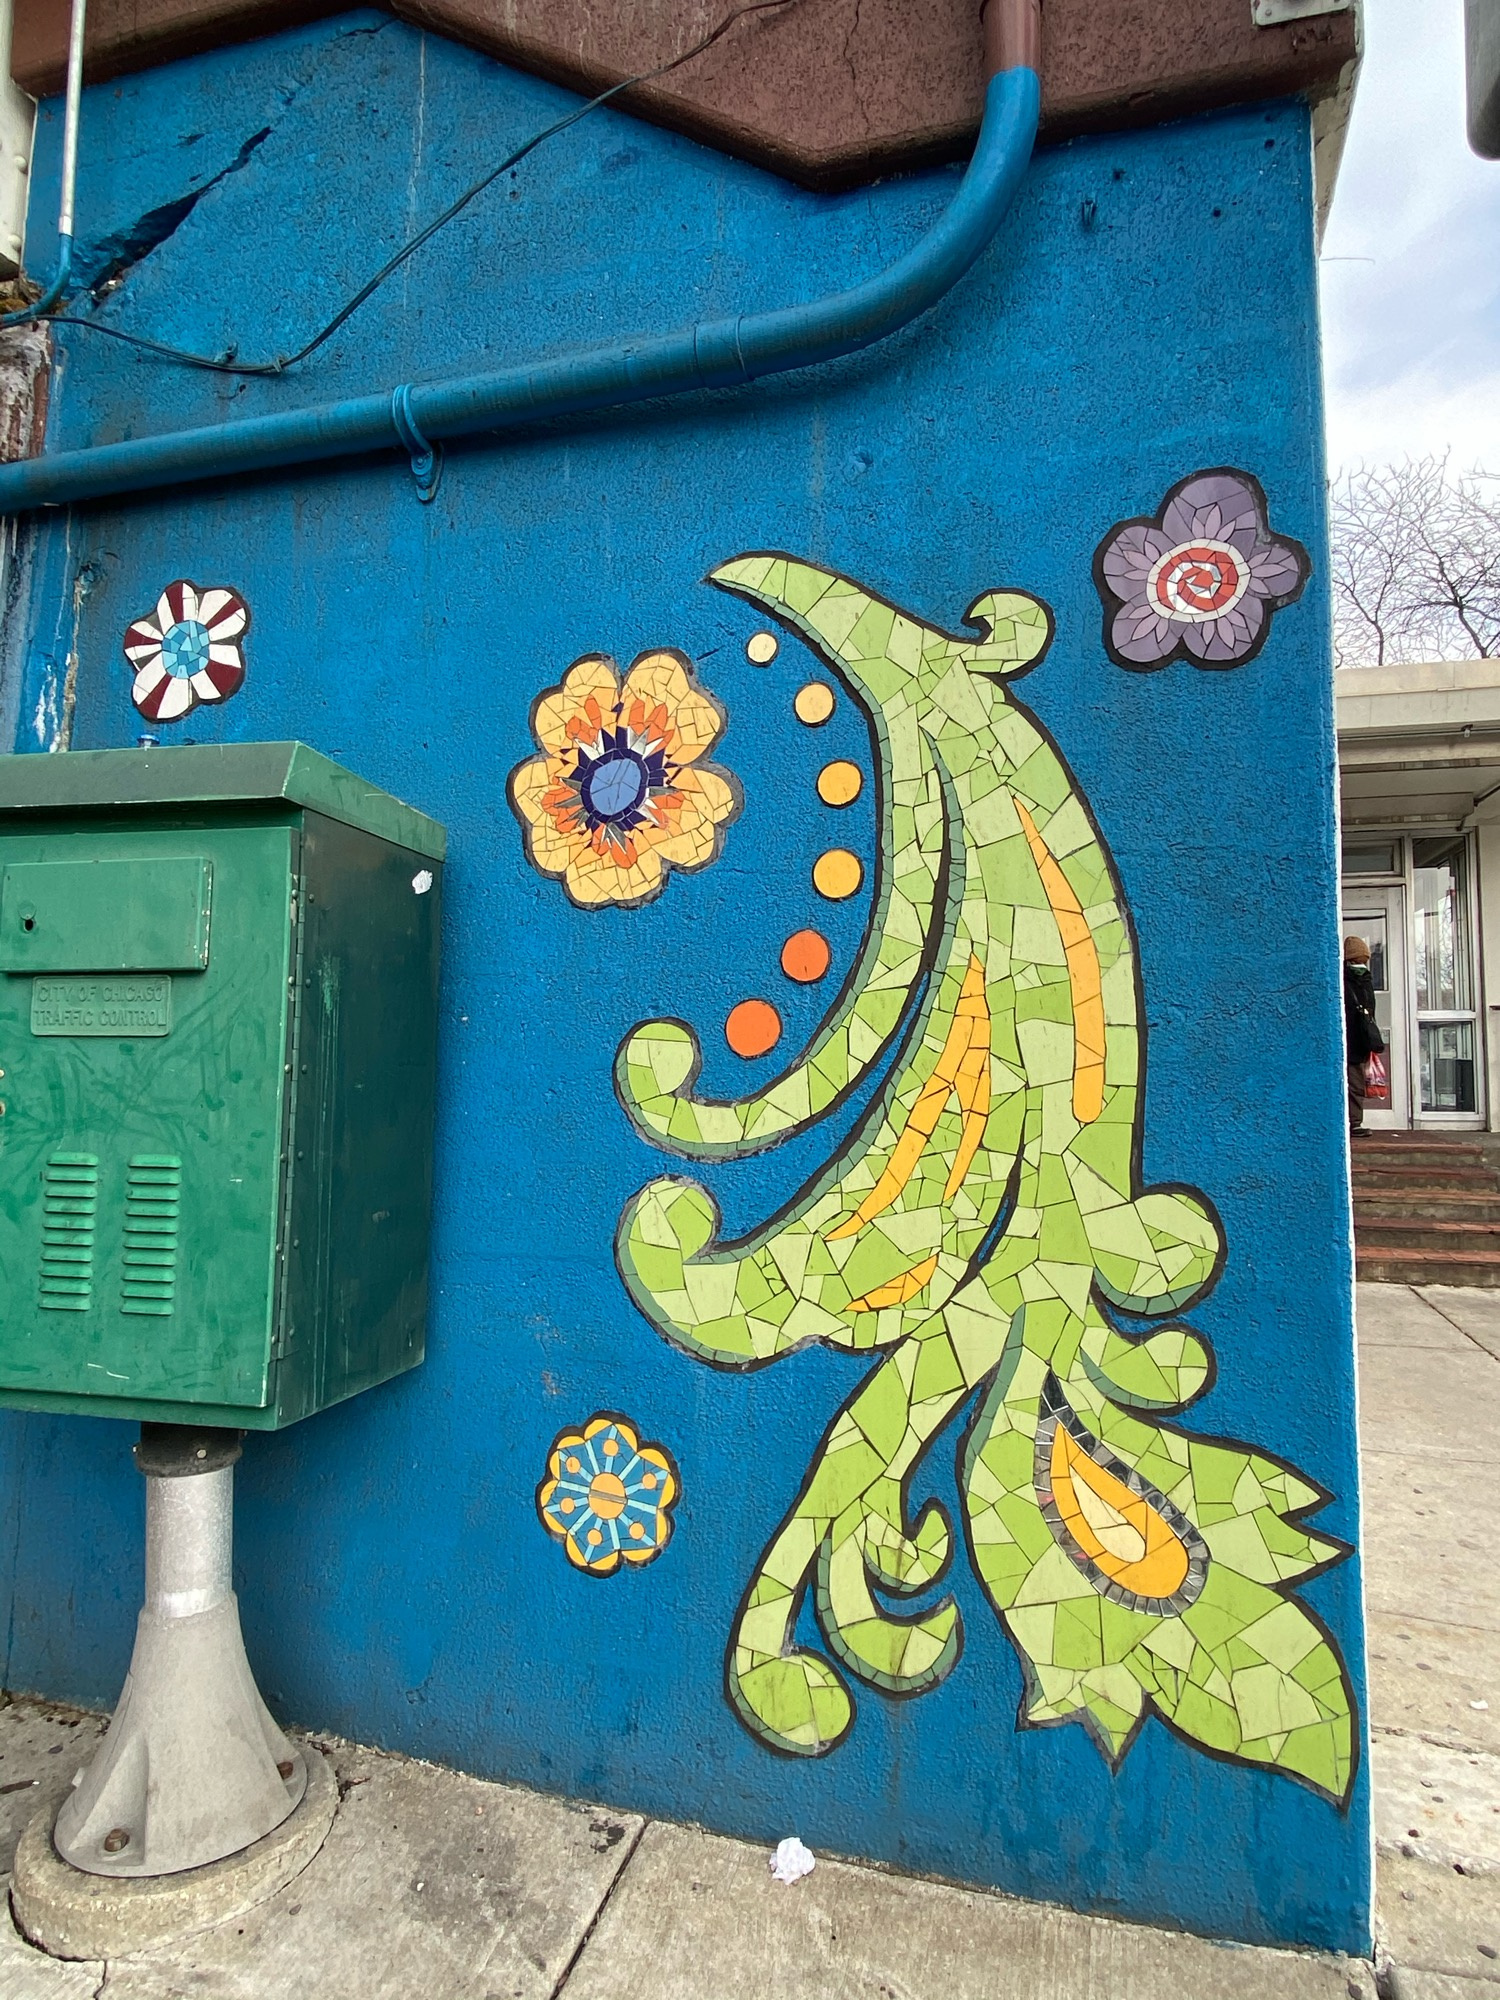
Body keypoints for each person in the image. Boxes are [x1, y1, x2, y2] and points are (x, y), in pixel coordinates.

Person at [1343, 935, 1384, 1135]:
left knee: (1356, 1083)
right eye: (1359, 960)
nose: (1362, 964)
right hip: (1354, 1041)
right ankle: (1353, 1123)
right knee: (1355, 1083)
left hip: (1357, 1041)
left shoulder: (1360, 980)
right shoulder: (1353, 981)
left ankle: (1354, 1122)